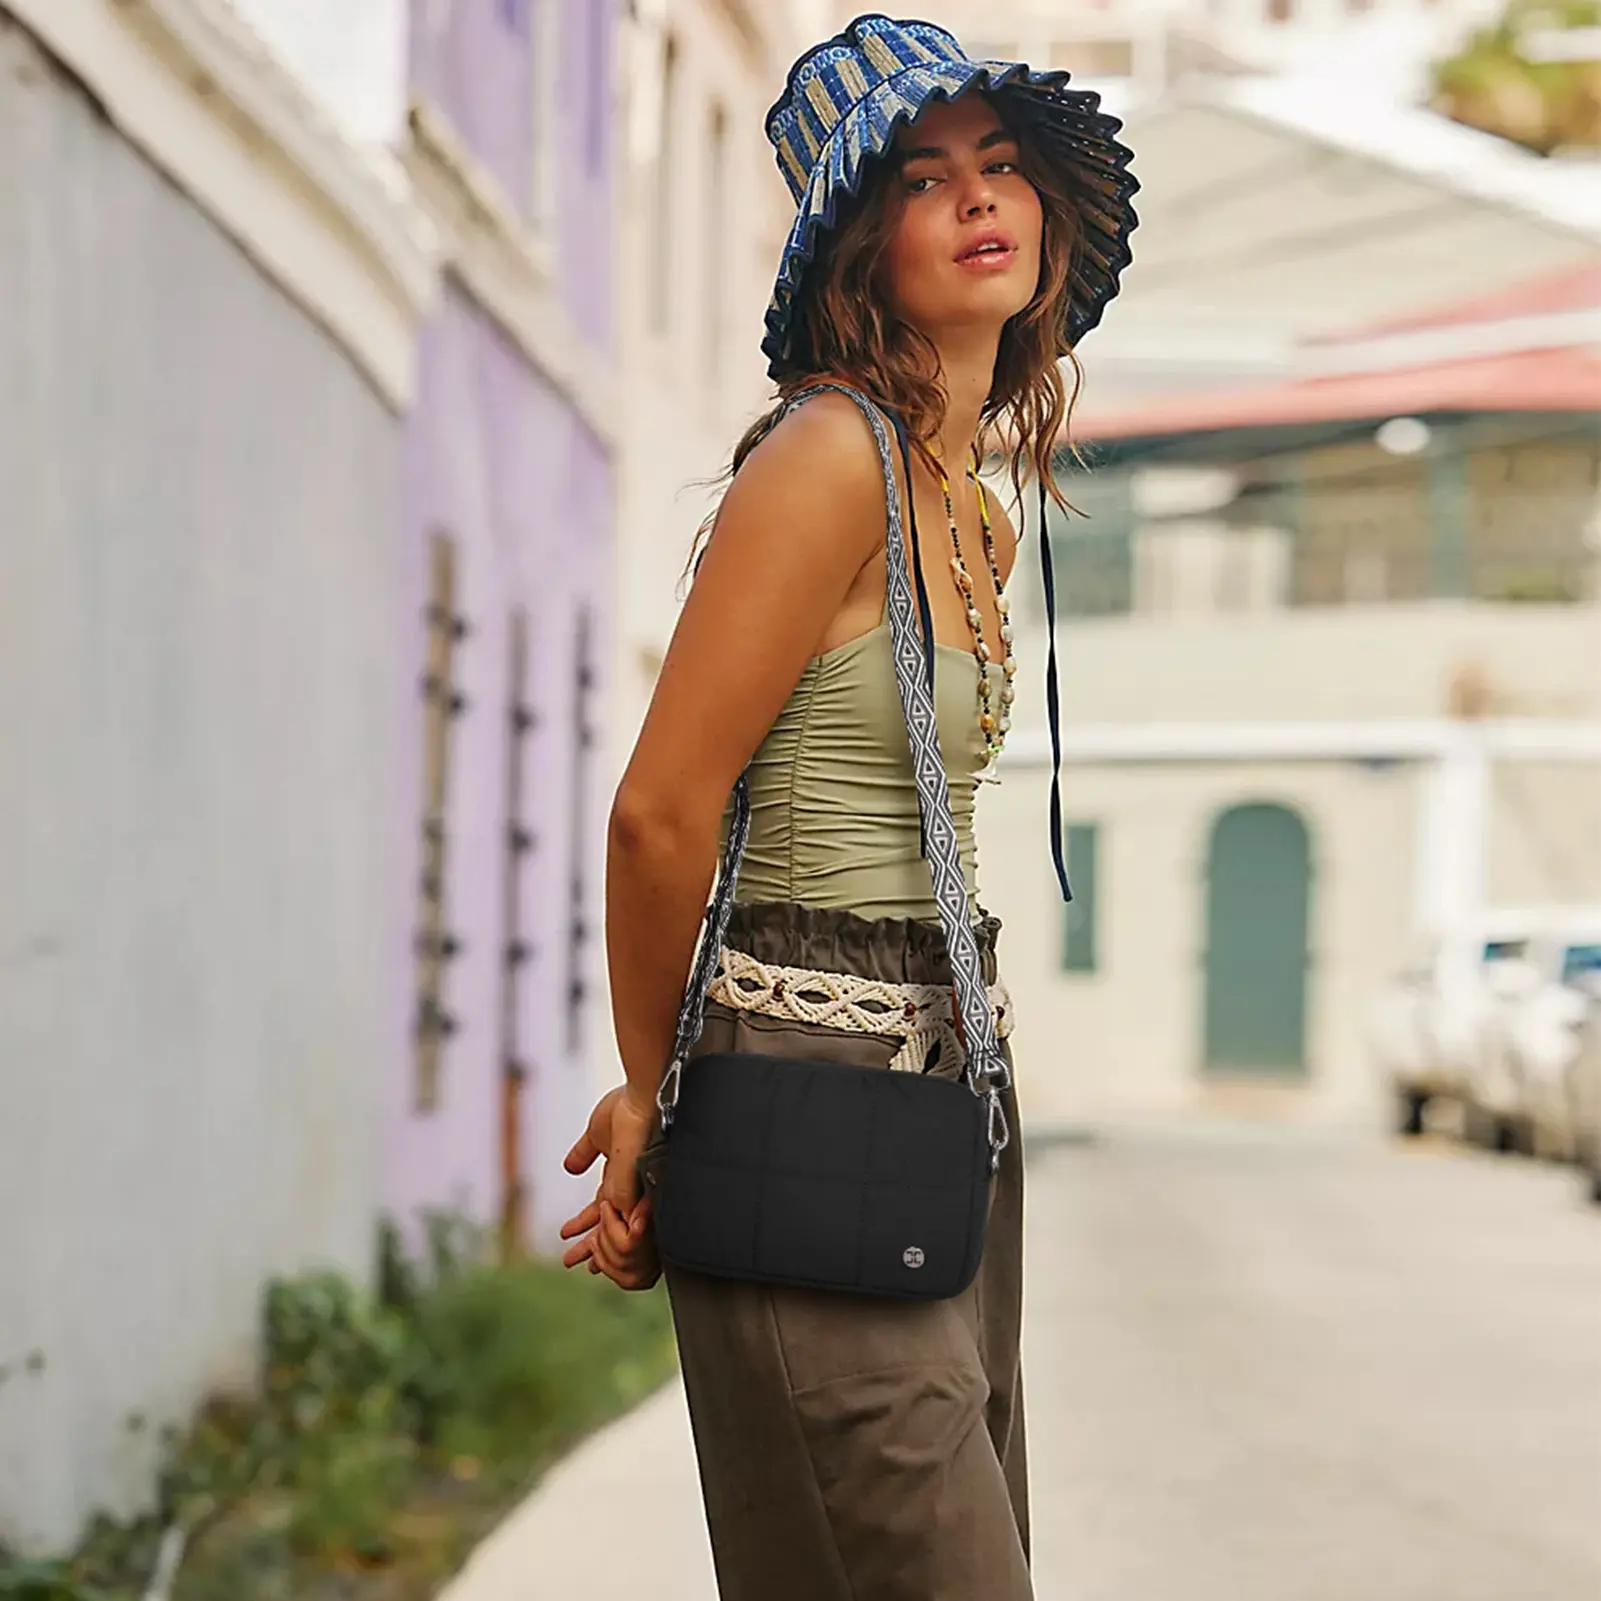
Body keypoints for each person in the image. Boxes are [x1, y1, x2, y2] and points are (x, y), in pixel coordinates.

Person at [560, 15, 1137, 1600]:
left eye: (1000, 166)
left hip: (948, 1107)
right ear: (857, 247)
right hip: (800, 1086)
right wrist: (649, 1093)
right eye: (923, 177)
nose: (978, 197)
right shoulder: (826, 460)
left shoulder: (977, 518)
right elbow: (659, 816)